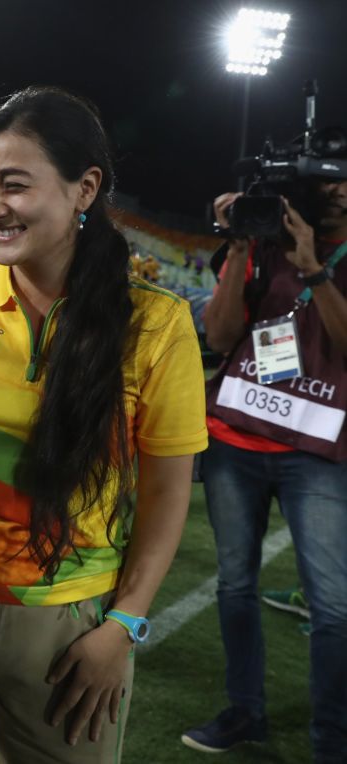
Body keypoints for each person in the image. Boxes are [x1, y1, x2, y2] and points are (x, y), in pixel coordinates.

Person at [0, 86, 207, 763]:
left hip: (70, 629)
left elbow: (169, 491)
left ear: (84, 189)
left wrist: (123, 624)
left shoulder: (156, 323)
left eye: (14, 185)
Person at [181, 151, 347, 762]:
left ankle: (332, 741)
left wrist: (314, 271)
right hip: (237, 439)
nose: (335, 190)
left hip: (319, 450)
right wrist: (242, 247)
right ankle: (244, 712)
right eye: (326, 179)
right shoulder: (260, 245)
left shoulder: (322, 256)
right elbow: (220, 337)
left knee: (333, 606)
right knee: (236, 585)